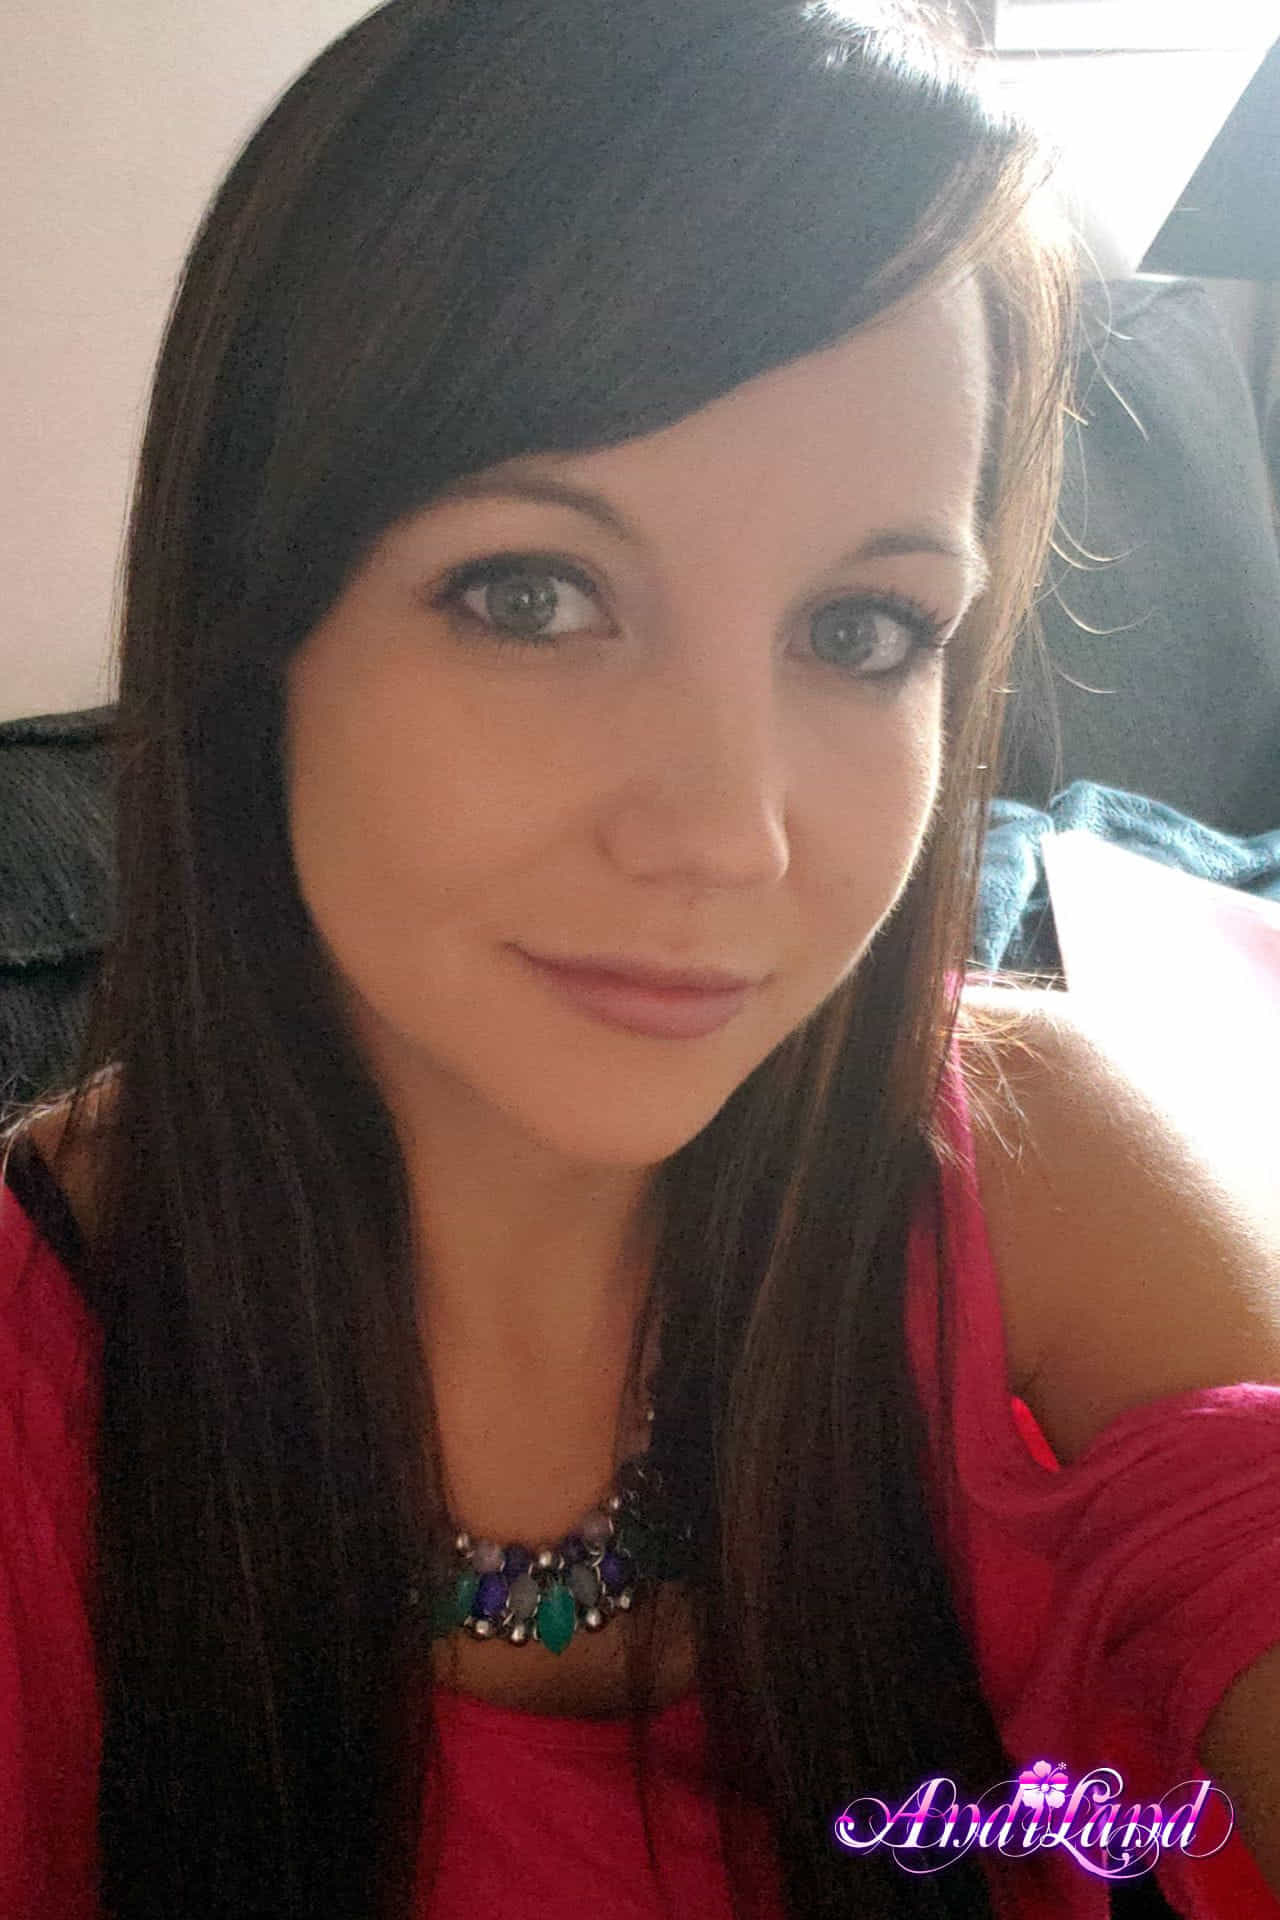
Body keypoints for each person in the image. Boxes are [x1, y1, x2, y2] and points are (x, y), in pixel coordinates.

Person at [0, 3, 1277, 1917]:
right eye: (534, 594)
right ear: (253, 628)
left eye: (862, 631)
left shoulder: (1039, 1176)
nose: (730, 835)